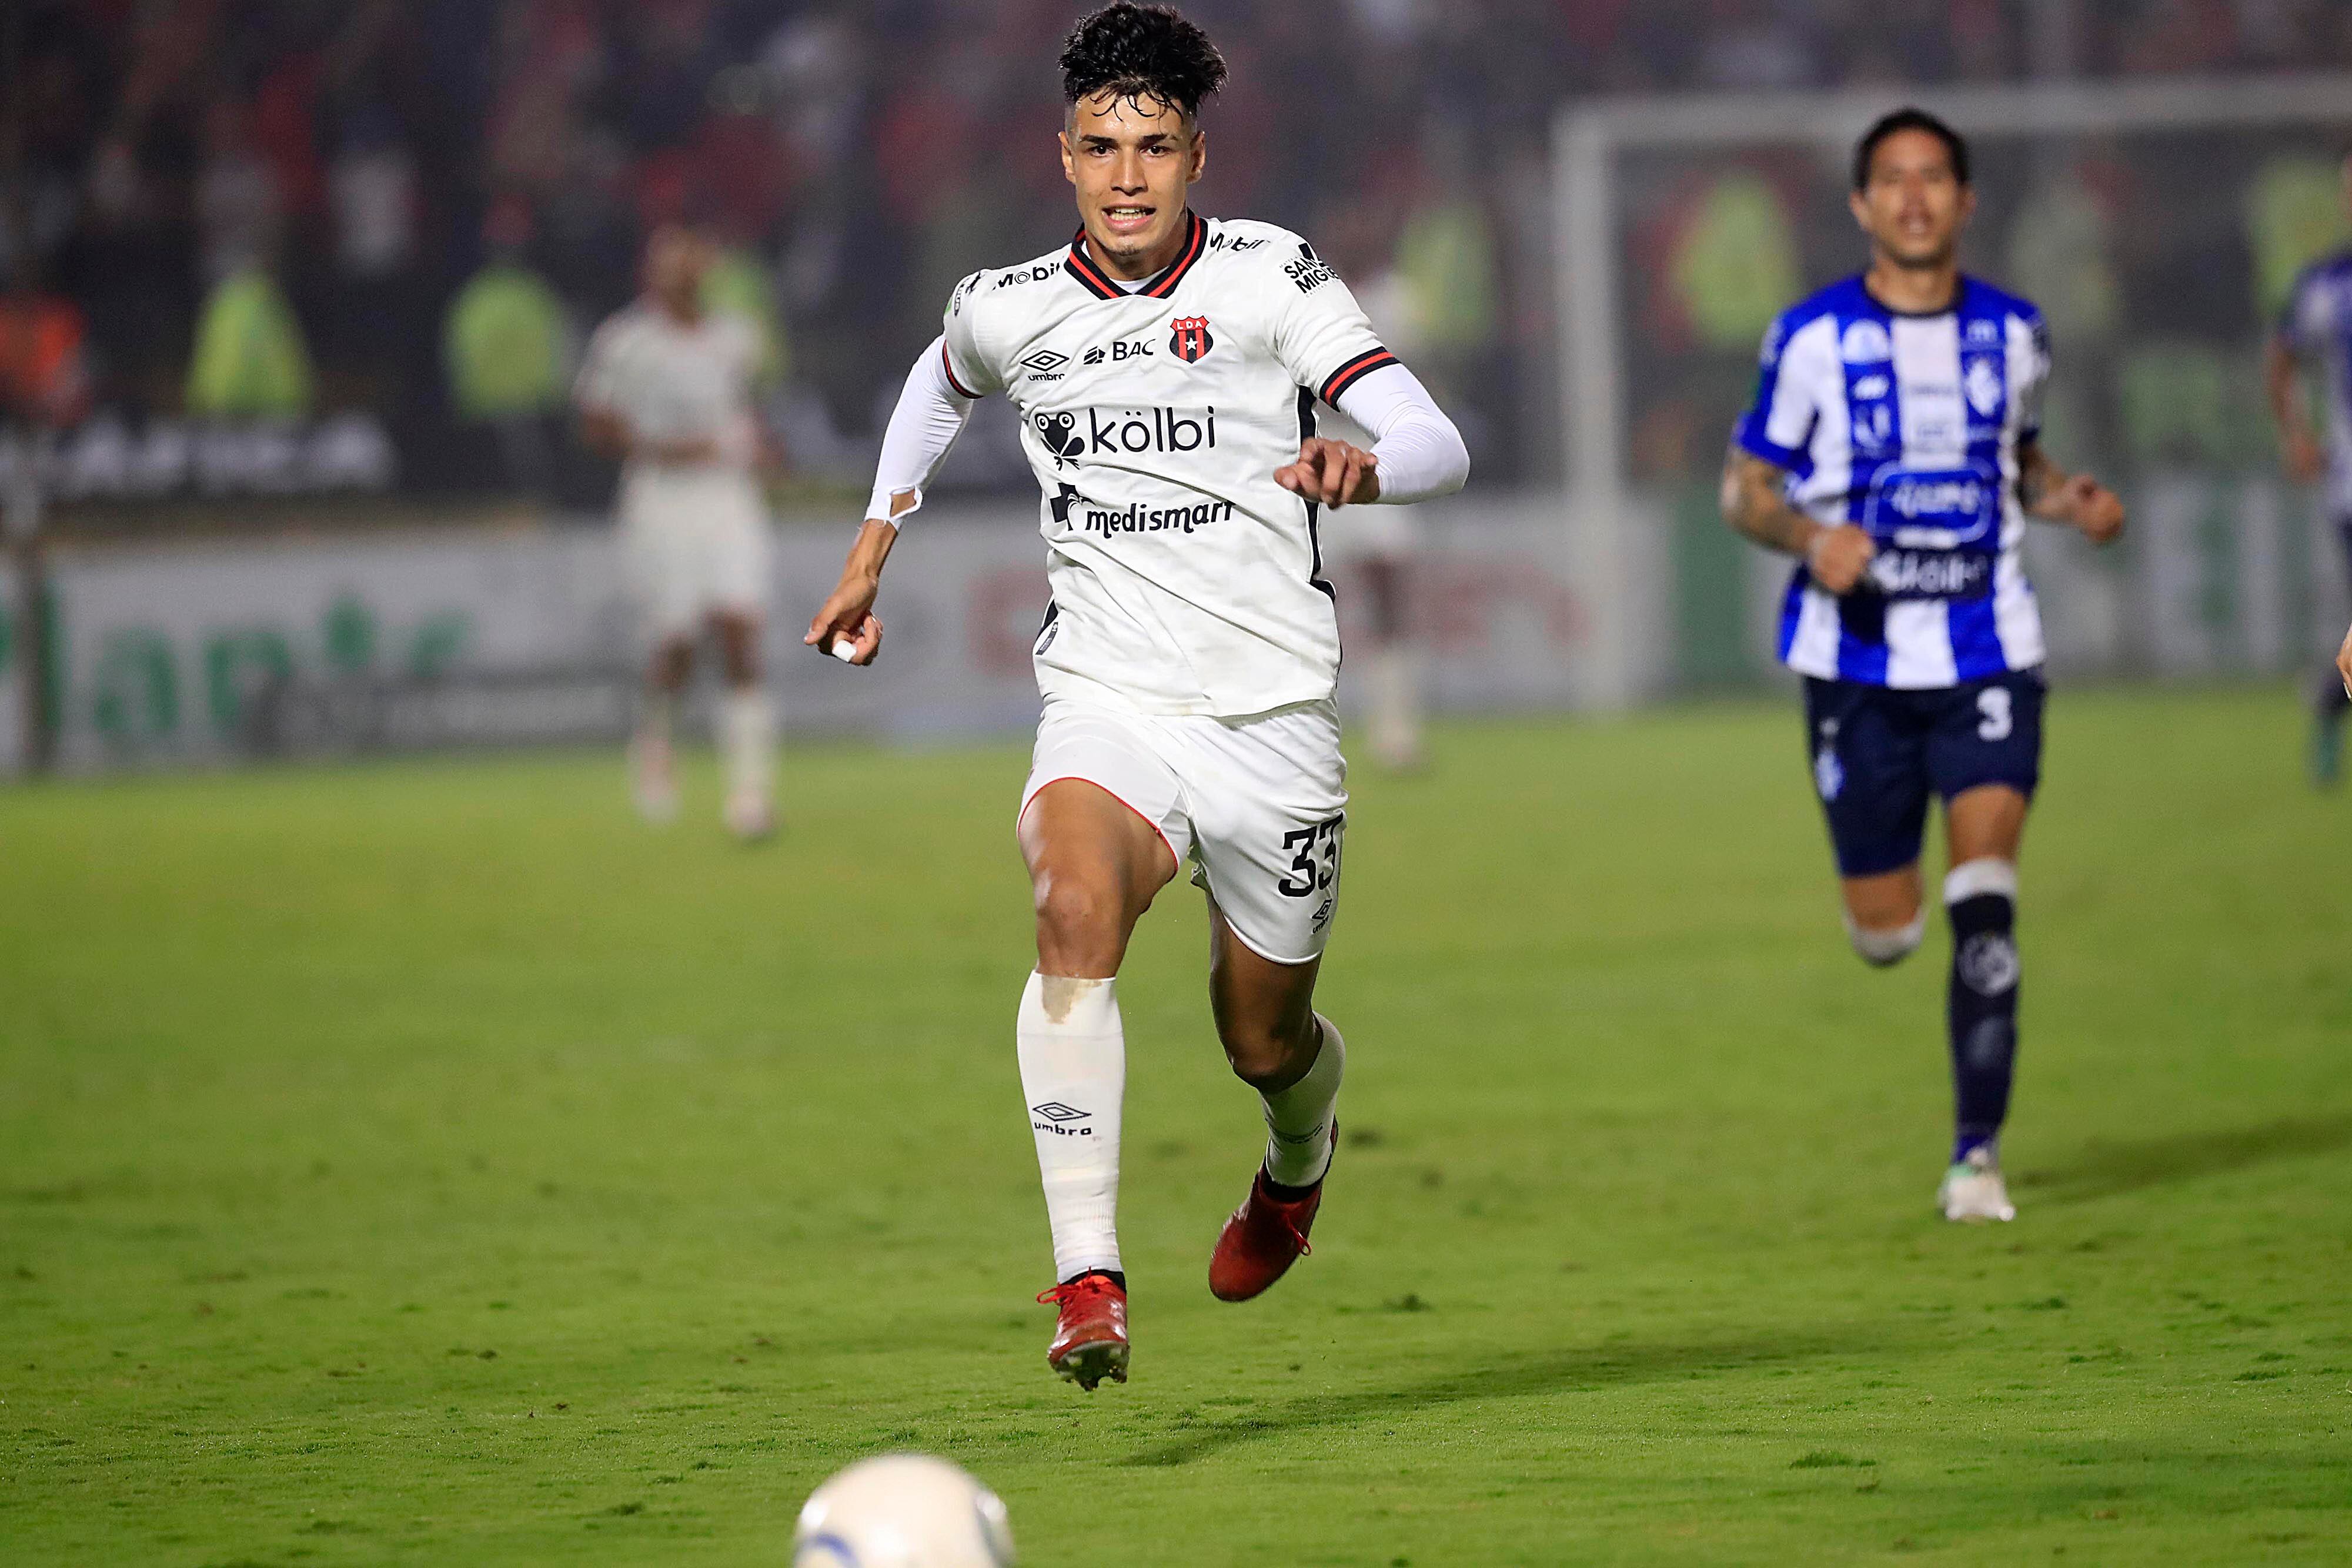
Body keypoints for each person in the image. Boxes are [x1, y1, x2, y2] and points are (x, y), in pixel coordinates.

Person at [804, 2, 1467, 1390]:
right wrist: (872, 546)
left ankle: (1297, 1161)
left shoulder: (1271, 279)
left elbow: (1432, 437)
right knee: (1069, 905)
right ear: (1063, 156)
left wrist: (1364, 464)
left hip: (1272, 723)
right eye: (1102, 147)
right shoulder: (1009, 307)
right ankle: (1087, 1280)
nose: (1125, 175)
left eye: (1152, 147)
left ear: (1195, 157)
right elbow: (935, 387)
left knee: (1262, 1036)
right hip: (1108, 703)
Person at [1719, 109, 2124, 1225]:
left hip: (1992, 648)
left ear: (1965, 200)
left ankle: (1974, 1158)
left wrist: (2065, 497)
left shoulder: (2017, 332)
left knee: (1984, 899)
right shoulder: (1808, 339)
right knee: (1890, 932)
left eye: (1933, 179)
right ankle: (1893, 925)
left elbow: (2020, 462)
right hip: (1852, 666)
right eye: (1891, 181)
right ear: (1860, 206)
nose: (1912, 198)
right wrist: (1811, 538)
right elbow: (1745, 489)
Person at [577, 223, 777, 840]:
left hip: (728, 497)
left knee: (741, 629)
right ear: (652, 270)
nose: (684, 270)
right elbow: (596, 426)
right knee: (678, 644)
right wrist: (669, 448)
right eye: (671, 260)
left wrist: (761, 447)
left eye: (693, 258)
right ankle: (656, 741)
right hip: (661, 499)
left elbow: (750, 413)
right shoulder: (626, 342)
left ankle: (749, 796)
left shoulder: (736, 339)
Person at [2263, 152, 2352, 786]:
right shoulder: (2325, 284)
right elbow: (2281, 358)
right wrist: (2295, 434)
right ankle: (2329, 703)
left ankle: (2327, 698)